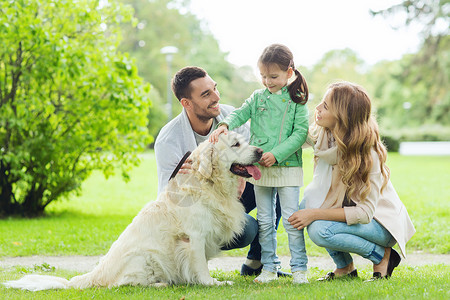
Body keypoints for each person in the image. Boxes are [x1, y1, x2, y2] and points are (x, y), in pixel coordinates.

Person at [154, 66, 287, 277]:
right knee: (247, 230)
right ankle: (196, 261)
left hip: (232, 189)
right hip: (199, 206)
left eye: (214, 88)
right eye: (206, 94)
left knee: (276, 187)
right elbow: (170, 199)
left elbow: (249, 154)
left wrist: (240, 177)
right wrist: (186, 177)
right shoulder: (169, 139)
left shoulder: (229, 115)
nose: (216, 97)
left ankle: (256, 262)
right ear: (186, 103)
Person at [288, 81, 415, 281]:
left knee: (319, 229)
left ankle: (382, 256)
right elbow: (292, 137)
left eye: (326, 106)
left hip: (380, 223)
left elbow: (365, 213)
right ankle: (345, 267)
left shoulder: (367, 153)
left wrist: (314, 213)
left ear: (343, 117)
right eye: (321, 102)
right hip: (350, 209)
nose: (318, 109)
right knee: (308, 205)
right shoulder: (325, 134)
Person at [210, 44, 310, 284]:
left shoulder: (297, 101)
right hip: (262, 171)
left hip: (287, 168)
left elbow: (299, 134)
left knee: (290, 220)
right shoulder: (257, 97)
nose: (267, 81)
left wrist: (276, 154)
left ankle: (299, 269)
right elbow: (240, 113)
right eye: (263, 76)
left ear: (289, 72)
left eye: (273, 76)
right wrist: (225, 124)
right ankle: (269, 267)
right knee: (265, 221)